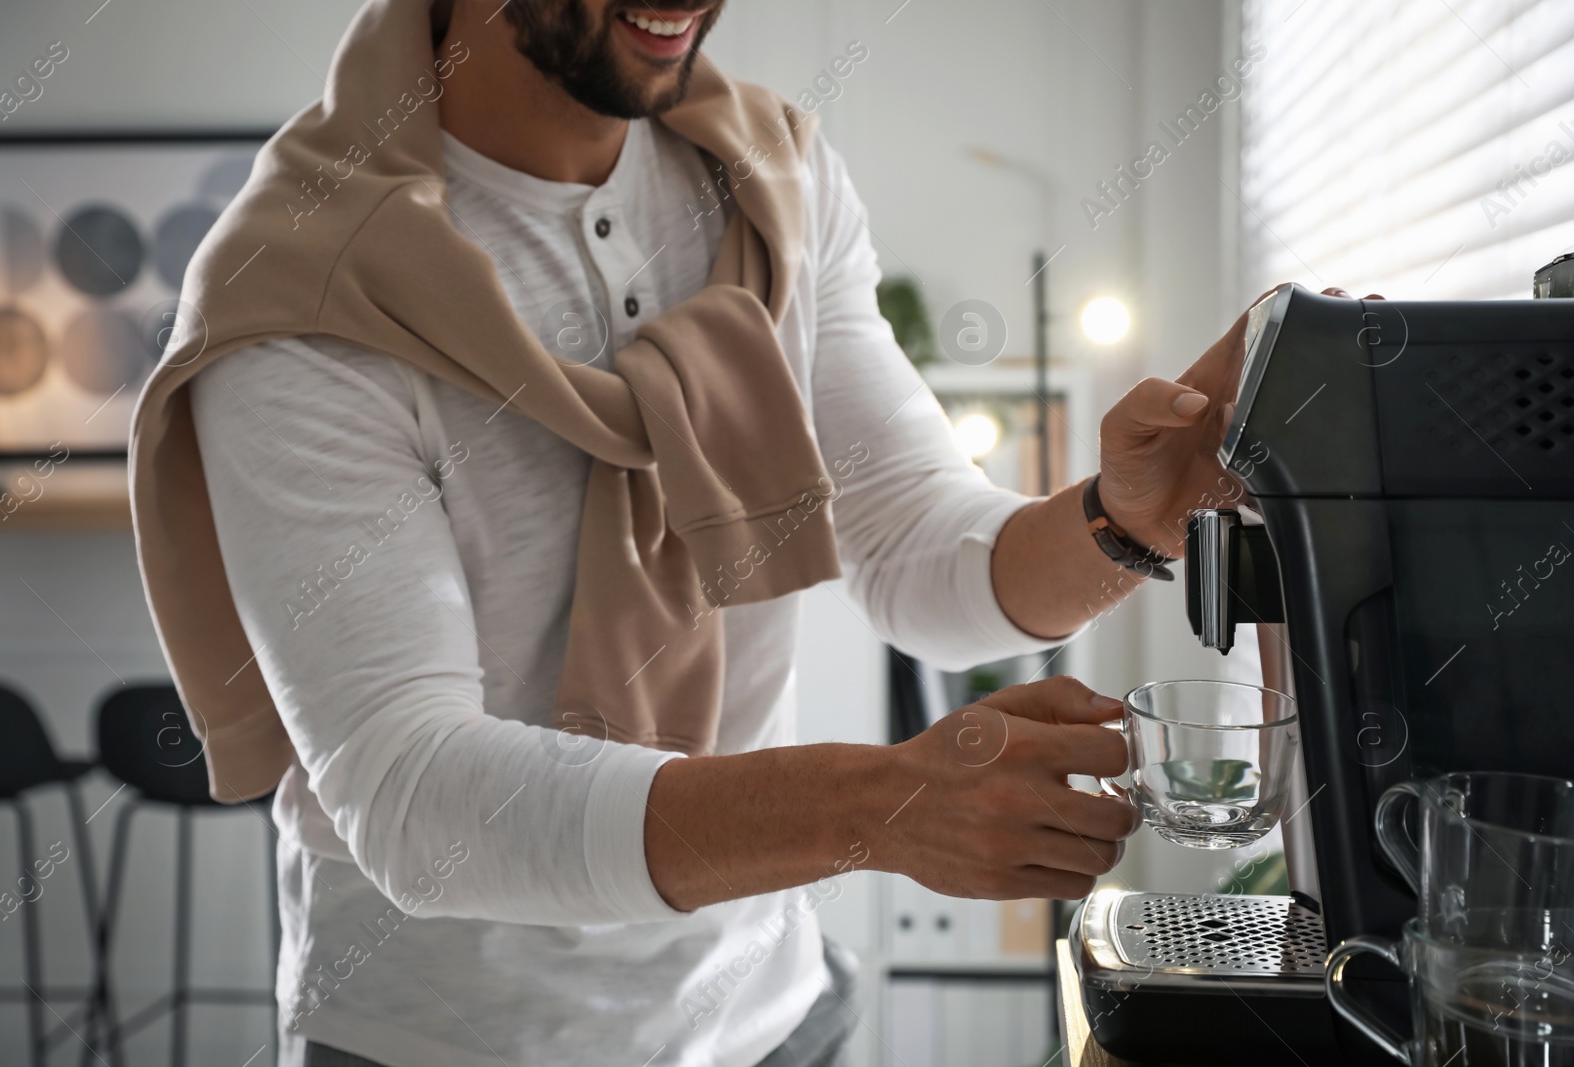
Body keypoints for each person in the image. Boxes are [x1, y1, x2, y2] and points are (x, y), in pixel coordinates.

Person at [127, 1, 1361, 1064]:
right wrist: (876, 805)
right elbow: (418, 800)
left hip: (773, 1012)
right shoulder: (302, 289)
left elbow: (915, 547)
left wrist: (1123, 516)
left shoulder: (772, 178)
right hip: (450, 1036)